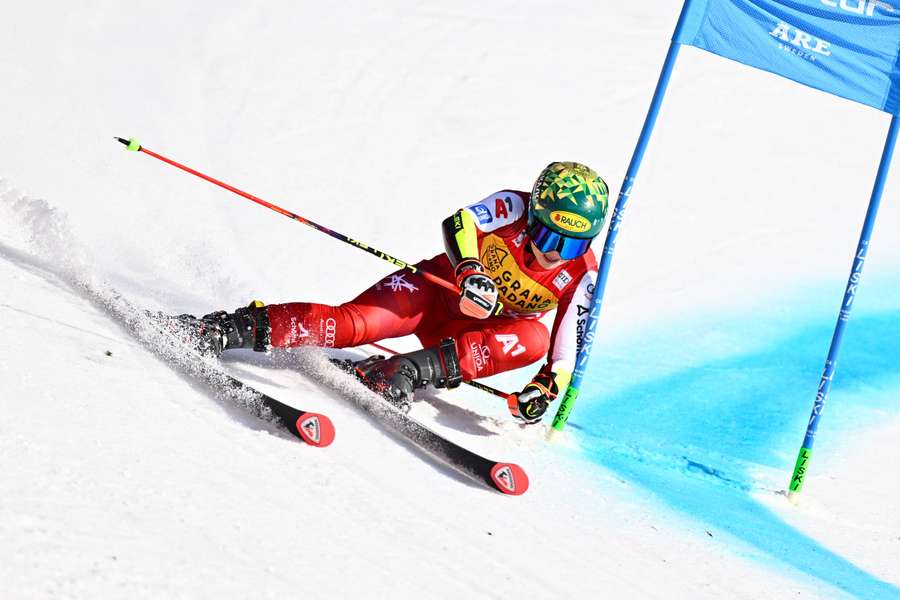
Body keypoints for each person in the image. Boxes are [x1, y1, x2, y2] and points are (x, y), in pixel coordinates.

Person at [187, 162, 608, 424]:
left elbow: (563, 351)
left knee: (532, 337)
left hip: (469, 338)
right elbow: (460, 222)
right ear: (533, 213)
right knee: (352, 325)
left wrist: (544, 390)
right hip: (432, 292)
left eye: (571, 244)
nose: (554, 253)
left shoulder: (584, 272)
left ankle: (398, 374)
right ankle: (226, 328)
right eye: (545, 234)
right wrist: (470, 271)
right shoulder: (512, 207)